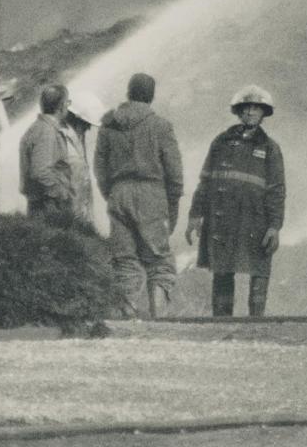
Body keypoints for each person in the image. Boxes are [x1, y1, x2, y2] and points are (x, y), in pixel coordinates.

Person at [187, 86, 286, 317]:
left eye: (256, 108)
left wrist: (274, 226)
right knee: (222, 270)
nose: (251, 112)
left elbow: (277, 191)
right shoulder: (221, 142)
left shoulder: (271, 149)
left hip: (255, 220)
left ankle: (256, 323)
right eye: (246, 108)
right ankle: (222, 321)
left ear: (264, 114)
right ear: (238, 112)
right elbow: (205, 181)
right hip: (223, 218)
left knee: (259, 270)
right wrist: (194, 215)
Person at [95, 72, 184, 319]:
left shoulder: (109, 125)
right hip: (151, 195)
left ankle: (127, 321)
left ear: (129, 93)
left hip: (118, 193)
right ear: (151, 96)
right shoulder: (161, 126)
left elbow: (100, 168)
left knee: (125, 262)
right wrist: (172, 207)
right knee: (160, 263)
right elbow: (174, 174)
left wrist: (112, 194)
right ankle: (158, 322)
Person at [19, 83, 74, 219]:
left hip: (42, 204)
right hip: (49, 206)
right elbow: (40, 171)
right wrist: (62, 193)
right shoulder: (46, 131)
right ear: (61, 106)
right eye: (67, 102)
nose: (68, 106)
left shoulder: (38, 128)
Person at [60, 91, 106, 228]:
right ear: (75, 119)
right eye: (86, 124)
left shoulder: (76, 139)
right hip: (71, 223)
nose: (89, 128)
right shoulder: (64, 145)